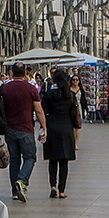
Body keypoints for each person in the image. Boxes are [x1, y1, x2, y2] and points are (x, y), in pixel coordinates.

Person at [0, 63, 46, 203]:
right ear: (25, 73)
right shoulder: (31, 89)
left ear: (12, 73)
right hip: (26, 128)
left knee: (15, 160)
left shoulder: (4, 88)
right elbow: (39, 110)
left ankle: (14, 191)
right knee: (30, 157)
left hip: (10, 129)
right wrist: (44, 127)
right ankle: (22, 181)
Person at [41, 69, 82, 198]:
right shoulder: (70, 95)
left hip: (52, 126)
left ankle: (52, 186)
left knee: (53, 160)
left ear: (54, 79)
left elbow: (43, 111)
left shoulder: (48, 95)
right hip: (66, 127)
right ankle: (62, 190)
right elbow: (73, 113)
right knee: (64, 161)